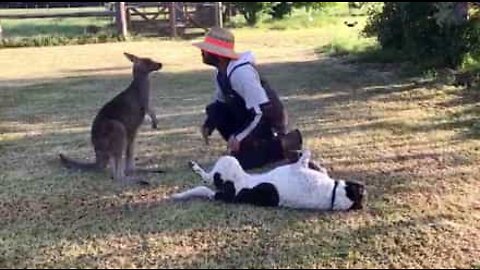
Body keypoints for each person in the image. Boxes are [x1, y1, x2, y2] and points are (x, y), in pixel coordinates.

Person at [192, 27, 303, 170]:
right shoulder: (221, 72)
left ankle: (283, 143)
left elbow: (260, 111)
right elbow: (220, 103)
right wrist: (208, 125)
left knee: (242, 163)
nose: (202, 52)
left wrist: (239, 136)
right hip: (249, 114)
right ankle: (247, 148)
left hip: (268, 121)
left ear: (218, 55)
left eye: (206, 50)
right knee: (214, 110)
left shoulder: (241, 73)